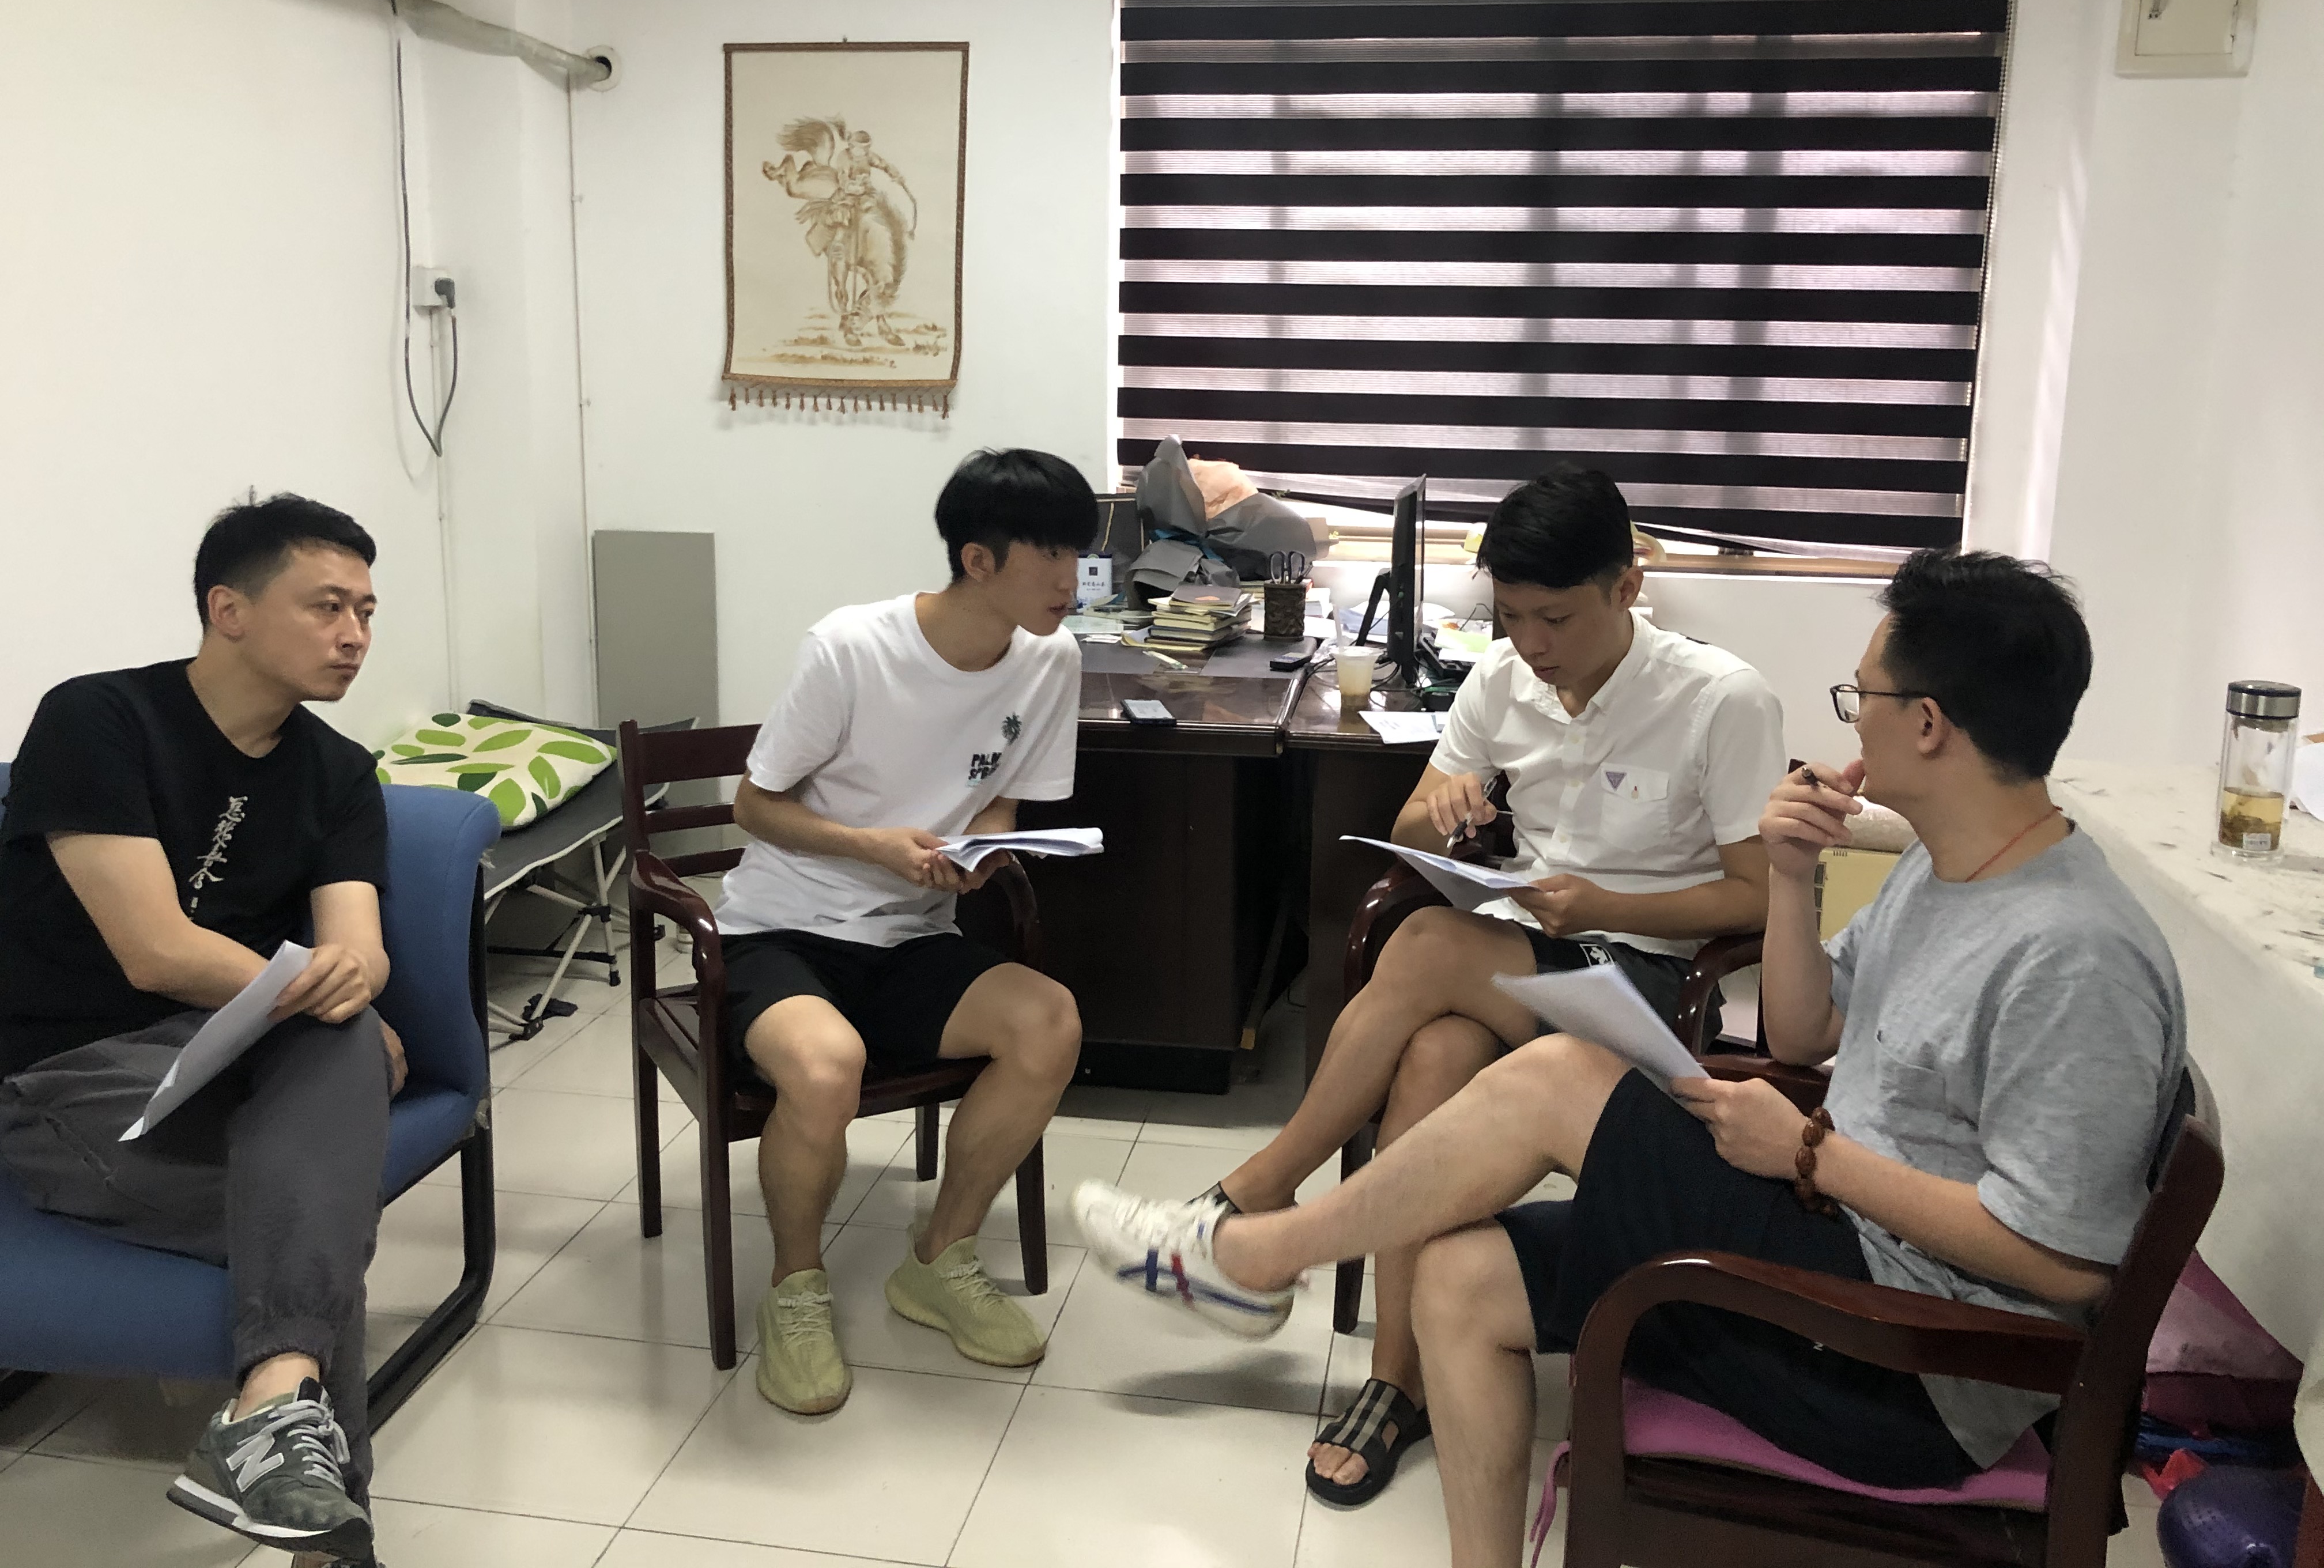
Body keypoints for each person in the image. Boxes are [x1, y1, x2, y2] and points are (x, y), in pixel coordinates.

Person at [1074, 549, 2187, 1568]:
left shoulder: (2074, 954)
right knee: (1460, 1276)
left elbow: (2066, 1266)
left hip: (1910, 1363)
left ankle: (1256, 1253)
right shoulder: (1949, 872)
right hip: (1840, 1242)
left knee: (1561, 1076)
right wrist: (1790, 876)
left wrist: (1813, 1157)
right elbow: (1805, 1036)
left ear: (1930, 724)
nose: (1849, 721)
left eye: (1864, 698)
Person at [1189, 465, 1783, 1504]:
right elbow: (1410, 829)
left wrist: (1606, 905)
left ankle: (1257, 1194)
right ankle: (1396, 1383)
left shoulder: (1720, 699)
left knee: (1425, 946)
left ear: (1627, 588)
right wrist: (1445, 807)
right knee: (1429, 1059)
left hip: (1644, 981)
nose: (1533, 644)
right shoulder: (1503, 679)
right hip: (1525, 960)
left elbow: (1756, 898)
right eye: (1513, 616)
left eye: (1556, 618)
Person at [0, 495, 403, 1568]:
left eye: (367, 611)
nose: (355, 635)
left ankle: (271, 1409)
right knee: (319, 1227)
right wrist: (328, 989)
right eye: (327, 607)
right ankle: (331, 1541)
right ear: (229, 609)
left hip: (232, 1068)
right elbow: (155, 951)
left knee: (344, 1054)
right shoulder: (98, 719)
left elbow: (359, 950)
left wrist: (347, 991)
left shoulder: (339, 771)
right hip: (74, 1082)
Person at [716, 447, 1094, 1414]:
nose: (1072, 579)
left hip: (912, 933)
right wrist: (872, 847)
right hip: (781, 928)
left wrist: (979, 854)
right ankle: (795, 1291)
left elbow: (1004, 798)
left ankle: (938, 1259)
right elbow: (752, 804)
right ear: (979, 560)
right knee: (825, 1068)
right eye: (1051, 556)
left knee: (1050, 1022)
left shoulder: (1052, 659)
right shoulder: (852, 648)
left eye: (1078, 553)